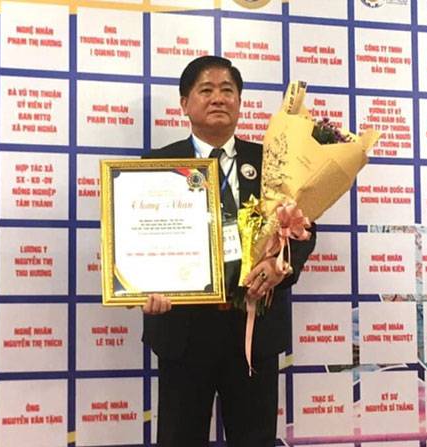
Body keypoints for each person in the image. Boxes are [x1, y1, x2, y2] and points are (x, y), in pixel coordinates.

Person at [141, 56, 317, 447]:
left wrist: (280, 265)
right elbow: (142, 240)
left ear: (239, 102)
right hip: (183, 331)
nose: (218, 98)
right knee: (179, 439)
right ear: (184, 103)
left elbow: (304, 229)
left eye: (227, 90)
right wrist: (145, 287)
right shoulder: (157, 164)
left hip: (253, 328)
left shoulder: (271, 162)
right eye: (206, 90)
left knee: (254, 440)